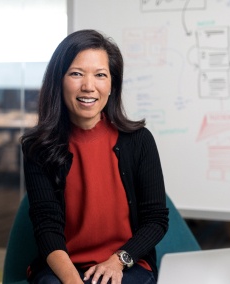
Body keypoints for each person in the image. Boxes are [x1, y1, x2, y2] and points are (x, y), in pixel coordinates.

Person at [20, 29, 169, 284]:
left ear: (112, 84)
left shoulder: (139, 141)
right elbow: (47, 225)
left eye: (100, 75)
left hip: (125, 264)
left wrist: (119, 260)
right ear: (59, 80)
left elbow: (155, 220)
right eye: (76, 74)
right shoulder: (38, 147)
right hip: (63, 268)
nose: (88, 86)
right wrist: (72, 280)